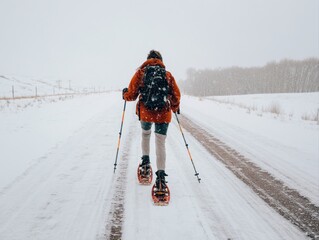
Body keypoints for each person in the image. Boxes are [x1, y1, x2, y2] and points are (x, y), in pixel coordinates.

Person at [122, 50, 181, 188]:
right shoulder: (167, 75)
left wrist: (125, 94)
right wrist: (174, 107)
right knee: (160, 142)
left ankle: (145, 163)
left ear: (148, 59)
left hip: (146, 111)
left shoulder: (141, 73)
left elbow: (131, 95)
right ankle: (160, 178)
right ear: (161, 60)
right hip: (163, 113)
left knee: (146, 135)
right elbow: (176, 95)